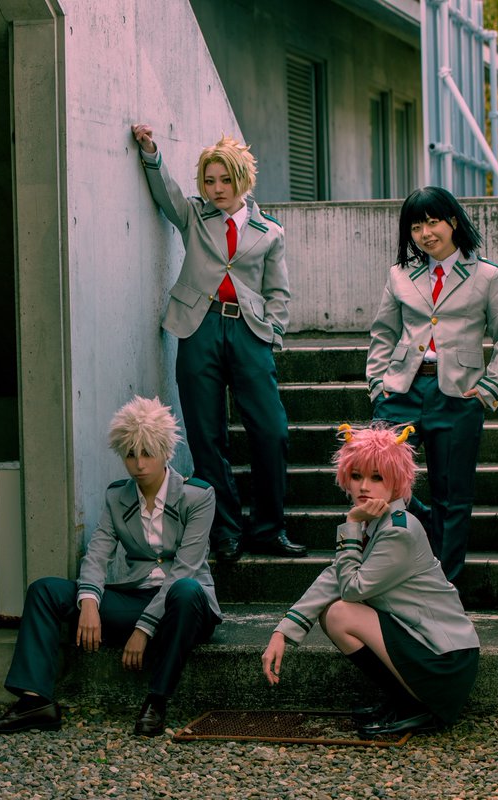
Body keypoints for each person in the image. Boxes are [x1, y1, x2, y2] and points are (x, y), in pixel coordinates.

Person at [0, 396, 222, 737]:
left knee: (185, 589)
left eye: (147, 453)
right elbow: (97, 553)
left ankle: (156, 701)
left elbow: (186, 568)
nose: (139, 464)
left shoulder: (197, 496)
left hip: (186, 609)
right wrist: (89, 601)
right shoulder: (117, 496)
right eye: (130, 454)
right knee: (45, 590)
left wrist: (143, 629)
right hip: (134, 598)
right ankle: (35, 701)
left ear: (166, 451)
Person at [129, 123, 304, 564]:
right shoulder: (194, 215)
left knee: (271, 430)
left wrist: (272, 333)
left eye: (225, 179)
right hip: (198, 328)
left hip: (249, 332)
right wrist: (151, 152)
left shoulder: (269, 231)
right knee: (206, 435)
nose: (217, 188)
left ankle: (269, 529)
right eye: (209, 180)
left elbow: (278, 291)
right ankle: (225, 530)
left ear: (243, 179)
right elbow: (166, 193)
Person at [260, 423, 480, 736]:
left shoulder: (399, 531)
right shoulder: (377, 523)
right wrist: (283, 631)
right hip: (431, 651)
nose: (364, 486)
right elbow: (333, 576)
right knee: (333, 613)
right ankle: (405, 699)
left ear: (397, 482)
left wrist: (351, 523)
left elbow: (352, 588)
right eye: (356, 475)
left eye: (377, 477)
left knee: (340, 613)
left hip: (445, 662)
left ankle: (420, 706)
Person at [365, 186, 498, 583]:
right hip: (402, 391)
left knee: (453, 494)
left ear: (452, 221)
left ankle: (444, 585)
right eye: (416, 227)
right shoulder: (400, 275)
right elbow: (383, 332)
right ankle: (426, 526)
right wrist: (378, 383)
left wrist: (488, 390)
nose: (425, 234)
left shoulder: (486, 276)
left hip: (457, 396)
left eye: (433, 223)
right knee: (377, 476)